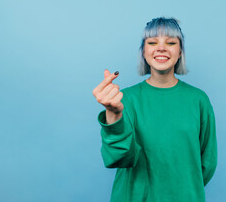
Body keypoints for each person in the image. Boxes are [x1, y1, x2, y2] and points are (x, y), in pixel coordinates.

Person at [92, 17, 217, 202]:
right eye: (152, 42)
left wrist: (182, 190)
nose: (161, 48)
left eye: (171, 42)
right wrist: (114, 114)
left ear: (180, 50)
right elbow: (118, 158)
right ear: (144, 51)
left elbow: (207, 163)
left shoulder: (199, 100)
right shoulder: (124, 99)